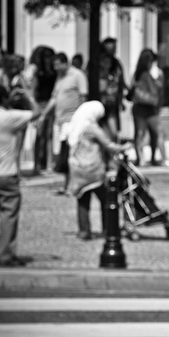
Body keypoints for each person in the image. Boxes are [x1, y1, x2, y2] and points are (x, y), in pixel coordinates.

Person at [0, 86, 40, 266]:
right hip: (5, 173)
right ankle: (5, 254)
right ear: (4, 99)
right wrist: (28, 95)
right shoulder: (9, 117)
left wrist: (8, 100)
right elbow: (36, 112)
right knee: (8, 214)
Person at [67, 101, 131, 240]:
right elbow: (109, 145)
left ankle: (84, 231)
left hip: (78, 169)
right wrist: (124, 147)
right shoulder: (92, 128)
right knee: (106, 198)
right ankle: (108, 228)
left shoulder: (76, 125)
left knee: (83, 200)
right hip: (93, 170)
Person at [39, 52, 89, 195]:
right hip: (60, 121)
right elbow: (54, 98)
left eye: (57, 65)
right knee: (63, 155)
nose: (55, 68)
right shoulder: (60, 77)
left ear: (65, 63)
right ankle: (67, 184)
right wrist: (43, 115)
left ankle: (74, 185)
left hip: (72, 121)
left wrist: (81, 119)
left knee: (72, 154)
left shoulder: (77, 75)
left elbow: (83, 96)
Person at [129, 49, 163, 167]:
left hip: (144, 108)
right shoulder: (145, 74)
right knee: (147, 134)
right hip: (144, 108)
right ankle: (147, 159)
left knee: (144, 134)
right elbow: (155, 92)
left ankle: (142, 159)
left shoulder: (139, 74)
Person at [25, 46, 56, 174]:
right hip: (39, 104)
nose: (48, 59)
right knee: (39, 134)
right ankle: (37, 164)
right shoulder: (36, 71)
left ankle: (48, 164)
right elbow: (31, 88)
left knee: (49, 135)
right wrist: (34, 106)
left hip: (51, 104)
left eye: (50, 57)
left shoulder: (53, 72)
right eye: (46, 57)